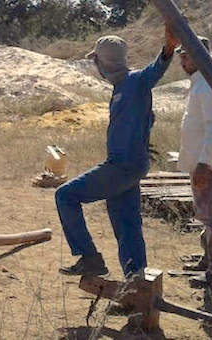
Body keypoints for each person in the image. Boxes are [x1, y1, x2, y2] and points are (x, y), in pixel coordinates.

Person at [56, 24, 179, 278]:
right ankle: (136, 281)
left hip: (123, 165)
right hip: (127, 164)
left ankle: (90, 258)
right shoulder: (122, 86)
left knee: (65, 195)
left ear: (102, 62)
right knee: (126, 222)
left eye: (96, 61)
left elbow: (154, 71)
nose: (96, 66)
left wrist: (168, 48)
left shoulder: (135, 81)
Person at [177, 37, 212, 287]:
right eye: (181, 56)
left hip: (205, 163)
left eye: (187, 56)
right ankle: (209, 260)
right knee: (207, 214)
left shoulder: (208, 85)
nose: (183, 61)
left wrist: (204, 163)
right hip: (201, 161)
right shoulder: (201, 82)